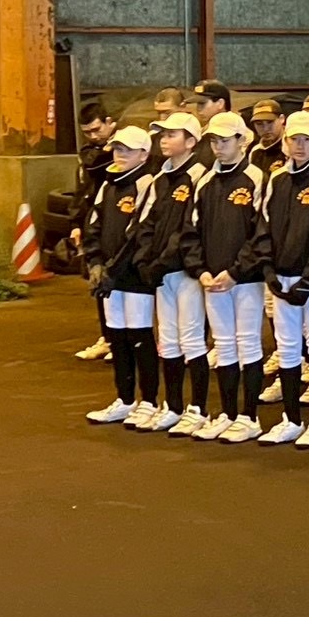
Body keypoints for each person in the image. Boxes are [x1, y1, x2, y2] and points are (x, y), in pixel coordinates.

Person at [180, 112, 272, 443]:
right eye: (213, 141)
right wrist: (201, 270)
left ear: (241, 141)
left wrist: (236, 271)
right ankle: (229, 413)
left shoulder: (257, 178)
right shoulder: (204, 182)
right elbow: (189, 230)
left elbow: (261, 232)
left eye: (224, 140)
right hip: (212, 279)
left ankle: (250, 416)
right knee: (223, 344)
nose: (218, 147)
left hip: (245, 279)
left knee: (247, 342)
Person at [258, 110, 309, 448]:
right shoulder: (276, 179)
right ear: (286, 140)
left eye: (308, 139)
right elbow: (263, 225)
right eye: (295, 139)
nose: (301, 145)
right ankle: (291, 419)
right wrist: (268, 270)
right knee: (288, 346)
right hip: (281, 276)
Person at [133, 112, 210, 434]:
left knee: (191, 338)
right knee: (167, 339)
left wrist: (163, 261)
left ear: (191, 141)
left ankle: (199, 408)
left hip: (186, 272)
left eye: (171, 134)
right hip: (162, 273)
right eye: (162, 135)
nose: (164, 140)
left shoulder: (199, 176)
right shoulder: (160, 178)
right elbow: (147, 222)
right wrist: (145, 259)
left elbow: (188, 228)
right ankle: (174, 405)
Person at [83, 126, 159, 426]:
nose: (120, 154)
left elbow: (138, 233)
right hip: (109, 279)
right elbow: (93, 225)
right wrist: (95, 263)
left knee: (140, 337)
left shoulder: (147, 183)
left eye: (127, 149)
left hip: (134, 277)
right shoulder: (108, 184)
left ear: (144, 154)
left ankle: (149, 401)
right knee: (117, 337)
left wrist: (113, 269)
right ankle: (125, 399)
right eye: (117, 148)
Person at [71, 101, 120, 361]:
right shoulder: (90, 153)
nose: (92, 136)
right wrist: (76, 223)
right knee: (98, 279)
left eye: (96, 129)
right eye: (87, 132)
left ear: (110, 122)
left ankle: (122, 340)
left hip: (119, 222)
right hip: (94, 222)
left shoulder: (126, 147)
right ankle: (108, 338)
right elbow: (83, 188)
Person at [248, 99, 287, 176]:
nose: (265, 129)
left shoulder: (292, 148)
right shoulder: (255, 152)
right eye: (259, 124)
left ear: (281, 119)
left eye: (270, 122)